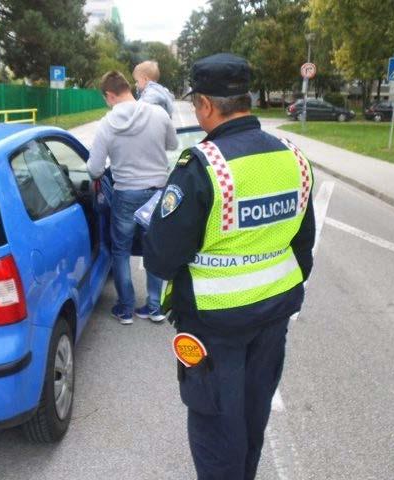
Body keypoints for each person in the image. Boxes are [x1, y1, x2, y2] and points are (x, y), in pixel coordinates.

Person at [143, 53, 316, 479]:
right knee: (252, 417)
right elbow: (303, 246)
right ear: (247, 99)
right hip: (273, 316)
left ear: (204, 104)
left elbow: (162, 258)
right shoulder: (293, 157)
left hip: (212, 326)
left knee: (217, 428)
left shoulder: (201, 167)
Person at [87, 70, 178, 325]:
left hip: (125, 193)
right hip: (157, 194)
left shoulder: (107, 124)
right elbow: (172, 144)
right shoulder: (159, 114)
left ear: (110, 95)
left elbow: (94, 169)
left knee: (121, 250)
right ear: (129, 88)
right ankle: (154, 306)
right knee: (154, 249)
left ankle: (125, 308)